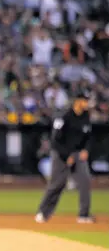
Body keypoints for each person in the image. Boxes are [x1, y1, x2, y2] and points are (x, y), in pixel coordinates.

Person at [35, 89, 95, 223]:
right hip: (61, 153)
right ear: (77, 101)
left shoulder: (86, 116)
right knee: (57, 184)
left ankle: (83, 215)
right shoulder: (64, 116)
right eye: (84, 100)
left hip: (78, 154)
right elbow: (55, 140)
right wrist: (66, 155)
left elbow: (88, 136)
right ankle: (43, 212)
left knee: (85, 182)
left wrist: (86, 149)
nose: (86, 103)